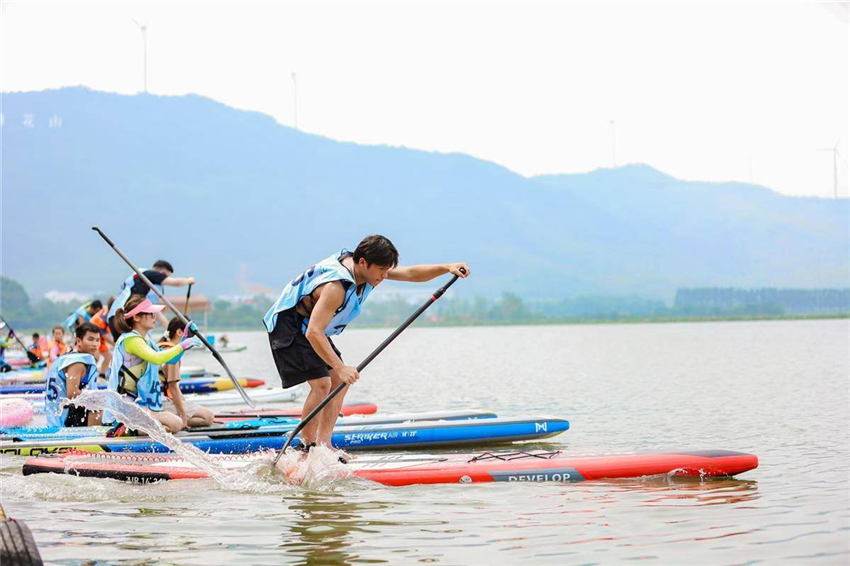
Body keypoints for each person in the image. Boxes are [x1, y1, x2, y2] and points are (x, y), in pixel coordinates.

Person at [263, 234, 470, 454]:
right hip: (288, 325)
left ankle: (325, 446)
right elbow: (314, 332)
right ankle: (306, 447)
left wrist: (448, 267)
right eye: (381, 270)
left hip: (310, 325)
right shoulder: (336, 286)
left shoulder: (368, 270)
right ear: (363, 262)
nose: (384, 276)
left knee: (340, 382)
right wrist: (341, 368)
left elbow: (410, 274)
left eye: (387, 270)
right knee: (323, 383)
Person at [103, 295, 201, 433]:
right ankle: (124, 429)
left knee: (173, 425)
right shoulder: (131, 340)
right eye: (149, 313)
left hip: (139, 404)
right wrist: (182, 346)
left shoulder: (146, 341)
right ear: (136, 317)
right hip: (126, 405)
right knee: (176, 423)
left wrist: (184, 340)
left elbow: (170, 360)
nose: (154, 316)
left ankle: (134, 429)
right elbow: (156, 358)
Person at [105, 260, 195, 340]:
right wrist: (188, 280)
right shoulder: (149, 274)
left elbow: (156, 314)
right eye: (166, 276)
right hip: (122, 318)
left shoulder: (149, 287)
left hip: (116, 317)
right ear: (162, 272)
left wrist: (171, 332)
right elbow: (176, 282)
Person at [157, 318, 215, 429]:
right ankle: (177, 419)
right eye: (190, 335)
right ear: (179, 333)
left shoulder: (161, 346)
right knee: (208, 417)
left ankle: (177, 417)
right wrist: (183, 415)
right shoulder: (171, 352)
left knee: (195, 410)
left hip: (158, 400)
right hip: (163, 402)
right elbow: (173, 387)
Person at [44, 322, 103, 427]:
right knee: (100, 408)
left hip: (57, 415)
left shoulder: (75, 356)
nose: (95, 344)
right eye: (90, 339)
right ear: (79, 341)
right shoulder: (77, 363)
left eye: (97, 340)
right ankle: (93, 438)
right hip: (64, 419)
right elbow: (72, 393)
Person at [89, 297, 115, 377]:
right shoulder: (100, 319)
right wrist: (114, 343)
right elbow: (104, 334)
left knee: (108, 356)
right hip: (92, 336)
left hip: (100, 338)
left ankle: (102, 374)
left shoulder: (107, 311)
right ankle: (89, 374)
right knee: (96, 357)